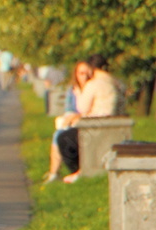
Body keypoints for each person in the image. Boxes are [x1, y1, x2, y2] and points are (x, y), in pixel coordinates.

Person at [56, 54, 125, 183]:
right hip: (117, 125)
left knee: (64, 139)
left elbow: (82, 108)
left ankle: (78, 171)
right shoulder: (116, 82)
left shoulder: (94, 84)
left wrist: (77, 92)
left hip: (96, 126)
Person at [43, 61, 92, 183]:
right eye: (81, 73)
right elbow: (69, 109)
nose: (84, 76)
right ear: (76, 74)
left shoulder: (92, 89)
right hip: (74, 122)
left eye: (87, 73)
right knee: (58, 134)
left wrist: (77, 115)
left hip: (88, 122)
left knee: (61, 135)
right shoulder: (73, 90)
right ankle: (54, 172)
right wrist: (71, 117)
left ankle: (54, 173)